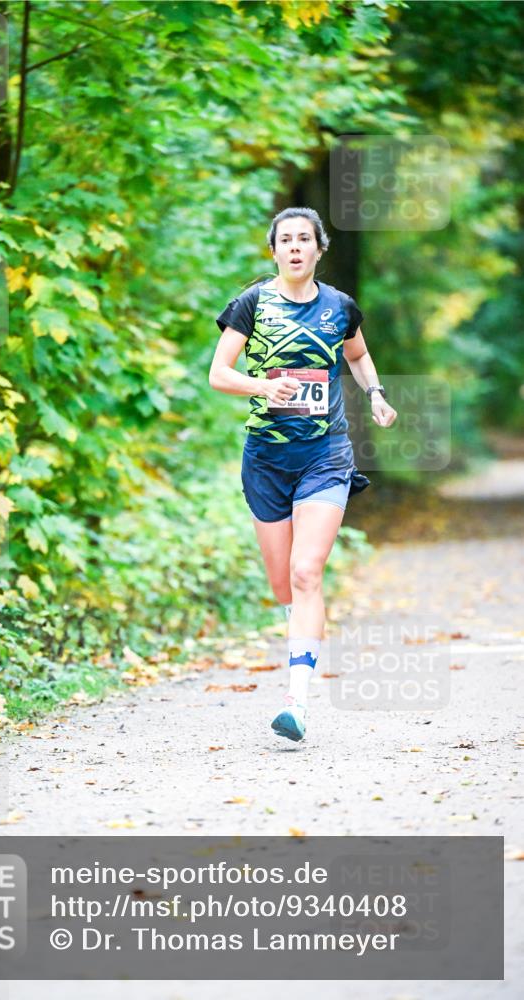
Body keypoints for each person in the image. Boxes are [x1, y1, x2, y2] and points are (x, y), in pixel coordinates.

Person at [209, 206, 397, 744]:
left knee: (306, 571)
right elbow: (218, 373)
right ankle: (301, 625)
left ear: (318, 249)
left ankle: (297, 700)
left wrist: (376, 395)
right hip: (266, 458)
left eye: (304, 239)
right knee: (282, 584)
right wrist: (263, 387)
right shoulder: (252, 304)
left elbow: (359, 358)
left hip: (326, 453)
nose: (295, 247)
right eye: (285, 240)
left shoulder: (340, 307)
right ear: (274, 251)